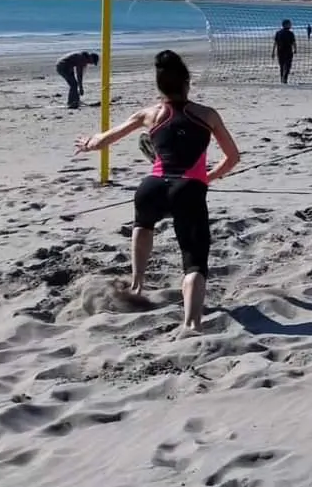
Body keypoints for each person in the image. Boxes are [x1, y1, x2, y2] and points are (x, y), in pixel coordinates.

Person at [74, 50, 240, 333]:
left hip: (151, 187)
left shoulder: (149, 114)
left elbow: (104, 140)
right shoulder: (207, 115)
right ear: (187, 83)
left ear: (159, 86)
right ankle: (191, 324)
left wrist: (89, 143)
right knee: (194, 262)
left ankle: (138, 282)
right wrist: (207, 177)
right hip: (188, 188)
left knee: (143, 224)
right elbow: (233, 157)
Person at [273, 19, 297, 84]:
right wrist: (295, 49)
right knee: (287, 66)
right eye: (290, 24)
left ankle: (282, 79)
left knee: (282, 66)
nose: (291, 25)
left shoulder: (278, 33)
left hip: (280, 51)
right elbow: (294, 42)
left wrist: (273, 52)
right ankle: (285, 79)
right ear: (286, 25)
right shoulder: (290, 33)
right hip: (288, 52)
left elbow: (275, 43)